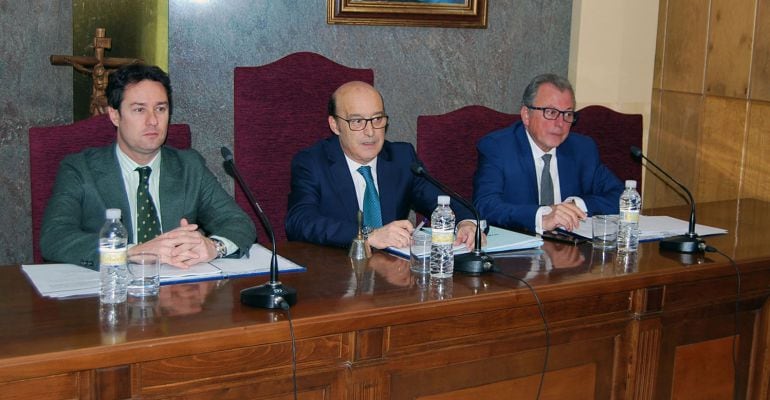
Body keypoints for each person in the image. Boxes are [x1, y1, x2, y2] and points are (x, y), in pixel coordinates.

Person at [40, 64, 257, 269]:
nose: (153, 120)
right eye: (139, 110)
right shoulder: (79, 169)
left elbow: (239, 222)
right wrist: (132, 252)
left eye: (160, 109)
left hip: (180, 293)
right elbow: (55, 237)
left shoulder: (189, 165)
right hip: (109, 294)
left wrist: (212, 247)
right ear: (115, 115)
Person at [285, 81, 478, 250]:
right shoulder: (312, 162)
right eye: (357, 121)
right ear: (335, 125)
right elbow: (299, 221)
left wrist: (466, 223)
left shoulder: (401, 158)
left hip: (394, 275)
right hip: (338, 275)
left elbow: (443, 201)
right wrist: (368, 235)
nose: (370, 132)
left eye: (377, 119)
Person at [473, 73, 623, 234]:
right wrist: (542, 217)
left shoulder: (582, 149)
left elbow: (622, 197)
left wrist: (576, 205)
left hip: (571, 251)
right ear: (526, 115)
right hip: (519, 251)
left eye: (567, 114)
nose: (560, 124)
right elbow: (485, 205)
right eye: (551, 112)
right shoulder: (498, 147)